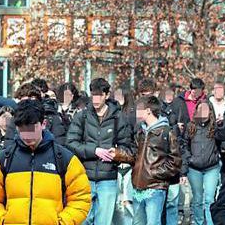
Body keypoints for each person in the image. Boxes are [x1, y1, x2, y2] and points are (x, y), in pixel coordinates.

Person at [0, 99, 92, 225]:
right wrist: (4, 220)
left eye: (31, 128)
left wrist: (62, 222)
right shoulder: (2, 159)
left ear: (43, 124)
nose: (27, 135)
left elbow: (81, 198)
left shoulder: (65, 159)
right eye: (22, 129)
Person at [67, 78, 134, 225]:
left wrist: (116, 153)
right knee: (83, 220)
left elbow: (128, 148)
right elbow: (71, 143)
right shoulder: (82, 116)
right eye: (93, 95)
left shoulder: (118, 118)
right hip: (84, 176)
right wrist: (94, 151)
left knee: (103, 221)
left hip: (108, 178)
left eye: (99, 95)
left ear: (107, 95)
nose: (96, 99)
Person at [113, 96, 182, 225]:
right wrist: (117, 154)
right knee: (138, 222)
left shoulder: (166, 132)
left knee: (153, 222)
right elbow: (134, 155)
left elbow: (175, 161)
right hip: (138, 186)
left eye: (139, 110)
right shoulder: (140, 131)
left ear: (148, 111)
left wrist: (154, 174)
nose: (136, 113)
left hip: (155, 187)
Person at [183, 101, 221, 225]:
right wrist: (189, 159)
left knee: (209, 199)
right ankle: (198, 222)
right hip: (194, 168)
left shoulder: (215, 127)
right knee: (198, 199)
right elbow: (184, 145)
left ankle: (210, 223)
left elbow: (223, 141)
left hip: (212, 167)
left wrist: (222, 126)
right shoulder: (190, 126)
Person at [160, 85, 189, 225]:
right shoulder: (158, 109)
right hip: (159, 165)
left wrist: (183, 171)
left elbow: (182, 146)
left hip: (174, 166)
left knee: (172, 203)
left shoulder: (180, 107)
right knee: (160, 204)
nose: (170, 97)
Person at [113, 87, 136, 225]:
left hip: (128, 161)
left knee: (128, 200)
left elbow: (133, 139)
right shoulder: (111, 113)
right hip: (113, 161)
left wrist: (128, 156)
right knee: (115, 202)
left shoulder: (132, 115)